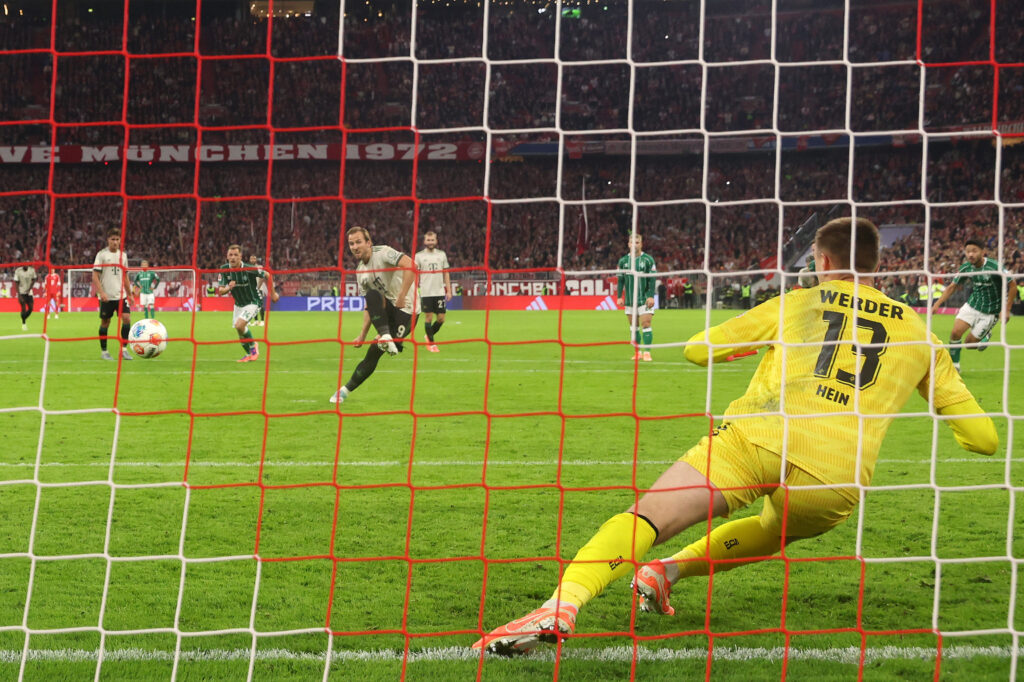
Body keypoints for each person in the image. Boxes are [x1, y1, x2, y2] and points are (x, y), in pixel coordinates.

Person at [473, 217, 997, 656]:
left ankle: (562, 604)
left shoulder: (798, 302)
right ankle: (666, 573)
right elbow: (982, 439)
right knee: (773, 531)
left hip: (757, 436)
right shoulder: (920, 333)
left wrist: (745, 348)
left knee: (649, 517)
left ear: (824, 261)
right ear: (876, 264)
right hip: (836, 473)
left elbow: (698, 349)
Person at [329, 227, 416, 404]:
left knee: (382, 345)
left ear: (369, 243)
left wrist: (402, 295)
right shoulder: (361, 272)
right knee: (373, 352)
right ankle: (344, 391)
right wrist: (362, 334)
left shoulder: (383, 253)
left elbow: (411, 265)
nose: (354, 247)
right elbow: (370, 305)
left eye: (358, 242)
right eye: (351, 244)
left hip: (409, 309)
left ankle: (390, 339)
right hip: (389, 310)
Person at [929, 238, 1017, 372]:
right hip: (972, 305)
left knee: (969, 345)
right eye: (968, 251)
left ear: (983, 252)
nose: (971, 254)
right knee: (955, 333)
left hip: (990, 312)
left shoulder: (994, 267)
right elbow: (952, 287)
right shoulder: (966, 267)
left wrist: (1006, 309)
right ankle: (955, 366)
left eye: (974, 251)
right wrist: (937, 305)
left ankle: (986, 336)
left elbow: (1012, 285)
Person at [217, 245, 278, 363]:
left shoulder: (249, 268)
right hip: (238, 304)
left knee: (240, 325)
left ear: (241, 256)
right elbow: (220, 291)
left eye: (236, 255)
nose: (233, 257)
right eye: (230, 255)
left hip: (253, 301)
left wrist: (273, 294)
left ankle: (254, 346)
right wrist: (229, 287)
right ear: (227, 256)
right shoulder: (224, 269)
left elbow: (267, 275)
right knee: (239, 331)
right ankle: (248, 354)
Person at [92, 229, 134, 361]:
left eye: (117, 239)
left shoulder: (124, 256)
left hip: (121, 295)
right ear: (108, 240)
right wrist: (101, 292)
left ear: (120, 241)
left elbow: (125, 276)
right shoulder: (101, 255)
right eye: (112, 239)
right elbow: (95, 276)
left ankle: (124, 350)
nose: (115, 242)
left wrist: (130, 294)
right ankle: (104, 351)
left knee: (127, 318)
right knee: (106, 322)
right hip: (107, 296)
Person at [615, 233, 656, 361]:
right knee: (634, 328)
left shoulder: (648, 260)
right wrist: (619, 297)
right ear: (628, 244)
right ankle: (637, 352)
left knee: (646, 323)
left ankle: (647, 352)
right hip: (629, 300)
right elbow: (620, 280)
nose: (634, 245)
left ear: (641, 244)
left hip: (644, 299)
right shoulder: (623, 261)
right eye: (632, 242)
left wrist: (650, 296)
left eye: (637, 242)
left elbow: (652, 279)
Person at [414, 230, 451, 353]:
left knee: (441, 319)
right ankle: (432, 344)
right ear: (424, 241)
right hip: (426, 292)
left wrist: (449, 291)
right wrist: (414, 290)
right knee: (428, 318)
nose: (430, 242)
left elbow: (446, 273)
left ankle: (428, 336)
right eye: (428, 240)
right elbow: (415, 275)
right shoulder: (419, 256)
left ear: (436, 241)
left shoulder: (442, 255)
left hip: (439, 291)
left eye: (432, 240)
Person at [14, 264, 36, 331]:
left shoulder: (32, 270)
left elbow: (34, 279)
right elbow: (16, 283)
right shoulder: (18, 271)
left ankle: (23, 318)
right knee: (23, 308)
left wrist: (30, 288)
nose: (26, 265)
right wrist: (19, 294)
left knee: (31, 308)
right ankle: (24, 323)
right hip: (21, 292)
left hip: (29, 292)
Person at [249, 254, 268, 326]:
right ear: (249, 260)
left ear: (256, 260)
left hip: (259, 288)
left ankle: (262, 321)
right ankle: (256, 321)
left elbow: (262, 278)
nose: (253, 260)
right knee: (253, 306)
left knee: (260, 304)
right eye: (251, 258)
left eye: (254, 258)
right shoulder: (248, 268)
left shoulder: (259, 267)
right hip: (251, 289)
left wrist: (257, 287)